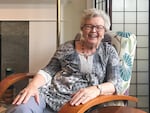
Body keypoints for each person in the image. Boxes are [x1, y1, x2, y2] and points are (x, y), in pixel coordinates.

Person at [6, 8, 122, 113]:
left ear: (104, 31)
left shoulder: (108, 52)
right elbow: (48, 70)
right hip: (47, 95)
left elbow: (116, 83)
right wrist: (33, 86)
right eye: (88, 26)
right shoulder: (67, 47)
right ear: (82, 29)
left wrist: (96, 89)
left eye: (99, 27)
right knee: (21, 108)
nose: (93, 30)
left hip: (77, 104)